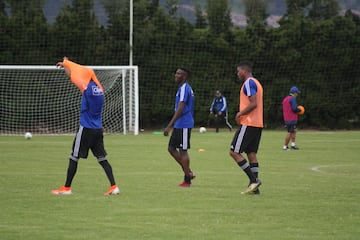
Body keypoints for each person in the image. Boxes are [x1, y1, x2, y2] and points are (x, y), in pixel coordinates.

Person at [51, 57, 119, 195]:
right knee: (102, 158)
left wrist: (66, 64)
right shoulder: (100, 91)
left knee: (74, 157)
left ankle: (66, 188)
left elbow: (72, 76)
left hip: (86, 128)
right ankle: (114, 186)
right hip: (98, 129)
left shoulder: (87, 89)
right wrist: (67, 64)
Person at [230, 60, 262, 195]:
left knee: (234, 152)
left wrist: (240, 113)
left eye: (238, 71)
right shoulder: (257, 83)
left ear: (244, 71)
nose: (237, 74)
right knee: (251, 154)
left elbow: (253, 103)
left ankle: (253, 180)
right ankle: (255, 189)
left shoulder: (248, 83)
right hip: (258, 123)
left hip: (248, 123)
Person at [164, 67, 195, 187]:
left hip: (184, 124)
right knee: (171, 148)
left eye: (179, 74)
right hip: (180, 124)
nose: (176, 75)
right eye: (176, 73)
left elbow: (181, 108)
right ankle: (188, 171)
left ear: (185, 76)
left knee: (183, 151)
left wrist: (169, 126)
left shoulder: (184, 88)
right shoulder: (182, 88)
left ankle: (187, 179)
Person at [282, 86, 301, 150]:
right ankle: (285, 146)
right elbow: (294, 109)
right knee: (290, 132)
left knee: (294, 131)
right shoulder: (292, 99)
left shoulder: (285, 99)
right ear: (294, 93)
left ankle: (293, 144)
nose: (297, 94)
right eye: (297, 93)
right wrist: (299, 110)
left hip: (287, 118)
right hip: (292, 118)